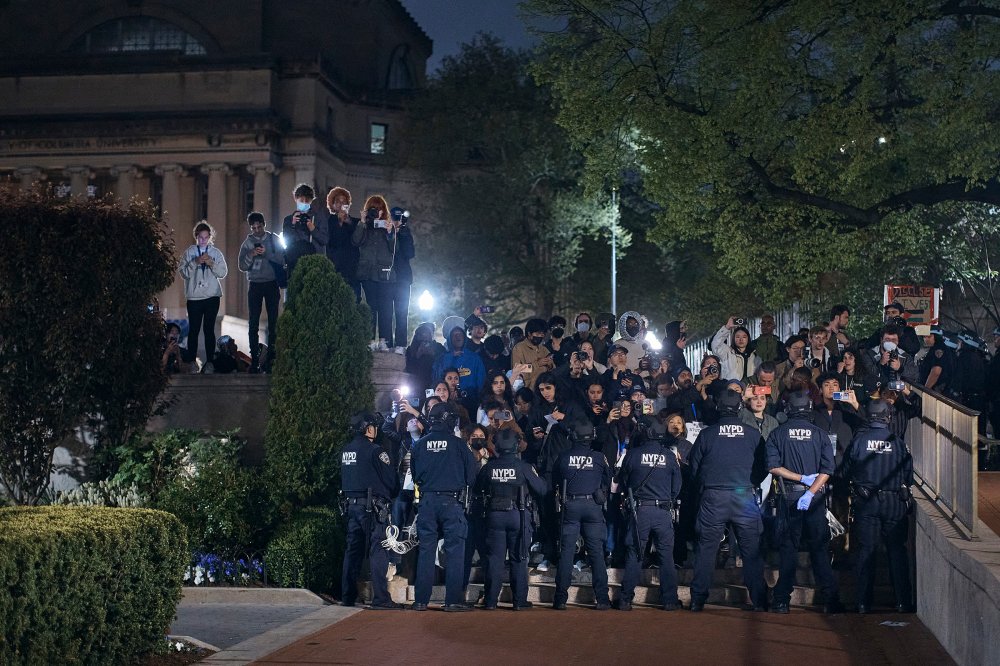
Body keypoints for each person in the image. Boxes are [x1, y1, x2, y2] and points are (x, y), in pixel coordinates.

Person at [687, 389, 768, 611]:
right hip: (744, 495)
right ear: (739, 408)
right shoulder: (752, 434)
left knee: (706, 549)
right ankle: (760, 600)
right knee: (751, 550)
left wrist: (707, 485)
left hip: (714, 496)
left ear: (717, 408)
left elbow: (694, 468)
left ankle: (697, 600)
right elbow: (764, 468)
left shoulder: (707, 434)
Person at [765, 390, 843, 614]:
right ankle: (830, 600)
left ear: (788, 410)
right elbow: (828, 469)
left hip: (789, 496)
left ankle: (781, 601)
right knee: (819, 550)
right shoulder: (820, 435)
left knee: (788, 551)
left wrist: (799, 479)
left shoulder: (778, 434)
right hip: (815, 499)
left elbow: (772, 467)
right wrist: (811, 491)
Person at [842, 399, 915, 613]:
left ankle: (863, 603)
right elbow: (908, 476)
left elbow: (846, 470)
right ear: (887, 417)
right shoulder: (898, 442)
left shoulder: (859, 440)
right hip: (894, 502)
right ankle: (903, 601)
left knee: (866, 551)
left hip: (866, 502)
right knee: (896, 552)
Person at [410, 402, 480, 611]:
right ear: (450, 419)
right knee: (455, 551)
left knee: (426, 551)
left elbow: (415, 474)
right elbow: (471, 477)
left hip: (427, 502)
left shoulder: (420, 444)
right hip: (451, 503)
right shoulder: (459, 445)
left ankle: (421, 600)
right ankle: (452, 601)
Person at [476, 429, 548, 610]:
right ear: (516, 446)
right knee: (519, 558)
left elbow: (478, 489)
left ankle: (491, 601)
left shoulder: (489, 467)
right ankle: (519, 601)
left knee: (495, 559)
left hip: (494, 516)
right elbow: (541, 489)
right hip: (518, 515)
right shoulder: (523, 467)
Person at [616, 417, 682, 611]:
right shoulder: (669, 456)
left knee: (635, 554)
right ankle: (669, 600)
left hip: (640, 511)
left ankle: (625, 599)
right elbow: (677, 487)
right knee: (666, 557)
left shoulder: (633, 454)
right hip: (662, 511)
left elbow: (623, 481)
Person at [340, 412, 402, 610]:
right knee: (379, 550)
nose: (375, 430)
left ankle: (347, 596)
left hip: (351, 508)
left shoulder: (346, 451)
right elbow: (391, 481)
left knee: (352, 551)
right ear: (367, 428)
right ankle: (381, 599)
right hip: (373, 508)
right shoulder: (376, 451)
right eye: (374, 426)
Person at [552, 419, 613, 611]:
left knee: (567, 553)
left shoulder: (563, 456)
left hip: (570, 505)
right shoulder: (599, 457)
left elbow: (555, 478)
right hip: (593, 506)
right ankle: (602, 599)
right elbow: (608, 478)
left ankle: (560, 599)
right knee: (596, 554)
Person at [352, 195, 406, 348]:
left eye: (380, 209)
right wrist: (362, 222)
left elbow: (395, 249)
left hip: (386, 274)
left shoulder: (388, 227)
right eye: (373, 209)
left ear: (384, 211)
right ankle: (369, 341)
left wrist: (390, 232)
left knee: (386, 308)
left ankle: (385, 341)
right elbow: (355, 241)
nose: (377, 212)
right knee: (370, 307)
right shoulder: (363, 226)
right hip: (367, 273)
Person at [178, 221, 228, 367]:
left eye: (206, 237)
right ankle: (192, 362)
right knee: (193, 330)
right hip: (194, 298)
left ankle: (210, 362)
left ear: (210, 237)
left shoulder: (215, 253)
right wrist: (195, 262)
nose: (203, 240)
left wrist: (211, 263)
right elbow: (183, 273)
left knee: (209, 330)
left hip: (212, 297)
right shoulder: (189, 252)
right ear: (196, 237)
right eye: (200, 237)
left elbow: (223, 272)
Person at [238, 211, 282, 373]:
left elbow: (282, 259)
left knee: (273, 322)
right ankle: (255, 360)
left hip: (271, 284)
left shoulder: (273, 239)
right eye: (254, 228)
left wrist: (267, 254)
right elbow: (242, 266)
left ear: (264, 225)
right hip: (255, 285)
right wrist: (251, 254)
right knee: (253, 323)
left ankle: (272, 358)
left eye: (259, 226)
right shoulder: (247, 243)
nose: (257, 230)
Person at [432, 324, 487, 416]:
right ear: (450, 339)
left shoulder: (474, 358)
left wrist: (480, 399)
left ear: (464, 338)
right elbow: (436, 379)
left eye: (460, 335)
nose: (458, 337)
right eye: (454, 335)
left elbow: (481, 380)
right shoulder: (442, 359)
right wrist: (451, 358)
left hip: (470, 401)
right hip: (446, 401)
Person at [282, 183, 328, 279]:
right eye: (301, 200)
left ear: (311, 200)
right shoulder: (289, 219)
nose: (304, 203)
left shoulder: (319, 217)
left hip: (314, 263)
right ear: (295, 198)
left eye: (307, 201)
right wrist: (293, 224)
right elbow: (287, 241)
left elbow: (324, 240)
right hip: (295, 263)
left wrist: (313, 229)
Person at [386, 206, 415, 352]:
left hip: (403, 279)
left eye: (398, 218)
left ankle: (400, 344)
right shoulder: (386, 231)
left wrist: (402, 233)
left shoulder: (405, 233)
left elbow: (410, 253)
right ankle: (387, 342)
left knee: (402, 313)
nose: (396, 221)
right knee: (386, 312)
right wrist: (391, 232)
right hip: (387, 278)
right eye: (394, 218)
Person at [325, 186, 361, 301]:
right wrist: (339, 222)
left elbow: (358, 239)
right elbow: (332, 241)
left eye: (344, 202)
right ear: (333, 205)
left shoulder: (356, 222)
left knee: (354, 300)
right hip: (336, 267)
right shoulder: (329, 221)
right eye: (338, 202)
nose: (341, 204)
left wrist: (348, 221)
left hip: (353, 269)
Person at [511, 318, 555, 390]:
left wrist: (550, 365)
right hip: (528, 391)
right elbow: (516, 370)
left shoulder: (544, 349)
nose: (540, 336)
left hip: (544, 390)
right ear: (529, 333)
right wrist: (537, 364)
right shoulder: (519, 348)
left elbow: (553, 368)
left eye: (542, 334)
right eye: (537, 333)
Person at [712, 317, 759, 383]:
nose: (741, 339)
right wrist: (727, 327)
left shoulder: (755, 356)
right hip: (730, 389)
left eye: (744, 337)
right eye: (737, 337)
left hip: (750, 390)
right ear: (733, 338)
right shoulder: (727, 352)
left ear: (748, 339)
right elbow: (715, 345)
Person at [405, 322, 445, 393]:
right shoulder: (411, 349)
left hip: (433, 384)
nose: (425, 336)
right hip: (414, 386)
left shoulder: (439, 347)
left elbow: (443, 364)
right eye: (422, 333)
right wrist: (418, 354)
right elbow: (408, 368)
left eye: (428, 333)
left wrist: (433, 354)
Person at [919, 327, 955, 393]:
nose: (926, 339)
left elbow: (936, 371)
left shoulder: (938, 348)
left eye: (929, 337)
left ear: (936, 336)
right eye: (924, 337)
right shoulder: (935, 348)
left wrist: (925, 390)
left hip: (935, 391)